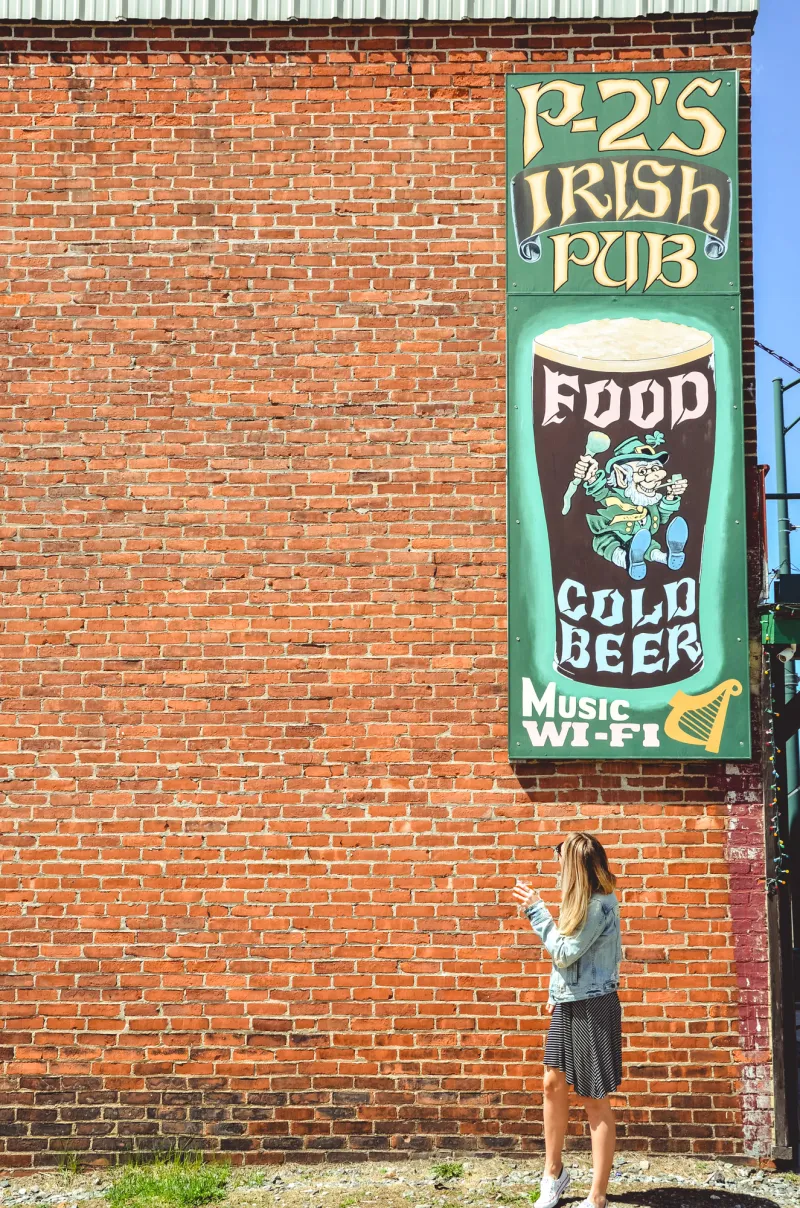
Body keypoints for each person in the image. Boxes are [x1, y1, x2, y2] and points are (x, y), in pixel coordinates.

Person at [512, 832, 622, 1208]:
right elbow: (566, 959)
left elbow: (563, 951)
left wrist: (536, 910)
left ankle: (597, 1196)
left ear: (574, 865)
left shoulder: (598, 906)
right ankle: (554, 1173)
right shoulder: (580, 902)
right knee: (551, 1084)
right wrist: (553, 995)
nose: (556, 866)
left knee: (593, 1098)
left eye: (560, 858)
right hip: (570, 1002)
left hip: (594, 1004)